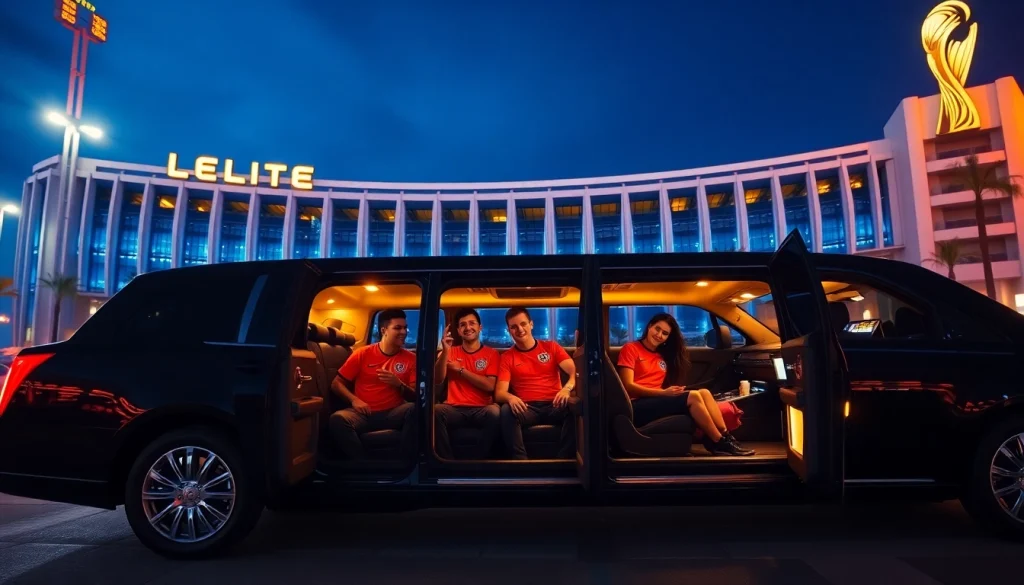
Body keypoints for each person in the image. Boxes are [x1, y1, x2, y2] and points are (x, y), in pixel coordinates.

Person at [617, 313, 754, 456]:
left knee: (704, 392)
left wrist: (671, 392)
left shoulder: (659, 356)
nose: (659, 335)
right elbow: (628, 385)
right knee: (693, 396)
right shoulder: (631, 348)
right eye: (657, 329)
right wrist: (663, 393)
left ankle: (726, 436)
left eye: (665, 333)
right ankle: (718, 441)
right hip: (636, 405)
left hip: (655, 400)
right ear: (650, 326)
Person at [329, 309, 417, 459]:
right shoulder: (362, 353)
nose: (403, 332)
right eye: (397, 328)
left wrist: (398, 384)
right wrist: (354, 400)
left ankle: (405, 463)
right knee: (338, 419)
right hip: (364, 413)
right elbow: (336, 383)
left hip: (393, 413)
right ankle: (363, 465)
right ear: (384, 330)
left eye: (405, 327)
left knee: (415, 409)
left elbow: (416, 396)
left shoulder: (411, 358)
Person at [495, 307, 576, 460]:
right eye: (514, 327)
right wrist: (511, 398)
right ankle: (521, 463)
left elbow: (574, 372)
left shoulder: (551, 347)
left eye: (523, 324)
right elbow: (500, 393)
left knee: (575, 406)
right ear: (509, 330)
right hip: (527, 408)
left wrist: (567, 389)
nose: (520, 329)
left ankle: (563, 461)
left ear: (531, 324)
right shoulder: (507, 357)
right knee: (506, 410)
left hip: (555, 404)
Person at [432, 308, 501, 459]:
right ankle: (446, 462)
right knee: (436, 411)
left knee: (495, 413)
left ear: (480, 327)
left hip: (482, 409)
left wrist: (461, 370)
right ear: (458, 330)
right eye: (463, 325)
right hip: (454, 408)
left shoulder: (492, 354)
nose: (468, 328)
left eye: (472, 323)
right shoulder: (449, 352)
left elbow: (490, 386)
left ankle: (480, 461)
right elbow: (437, 380)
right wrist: (444, 352)